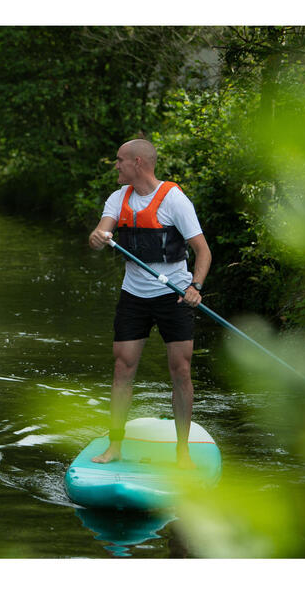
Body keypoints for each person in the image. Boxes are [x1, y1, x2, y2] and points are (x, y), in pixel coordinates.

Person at [88, 138, 212, 469]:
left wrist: (195, 287)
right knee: (121, 369)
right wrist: (98, 238)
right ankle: (115, 446)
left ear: (138, 163)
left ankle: (182, 453)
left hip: (174, 295)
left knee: (180, 371)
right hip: (134, 296)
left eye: (120, 160)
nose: (116, 165)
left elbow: (203, 251)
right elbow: (99, 235)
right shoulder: (117, 199)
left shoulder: (175, 200)